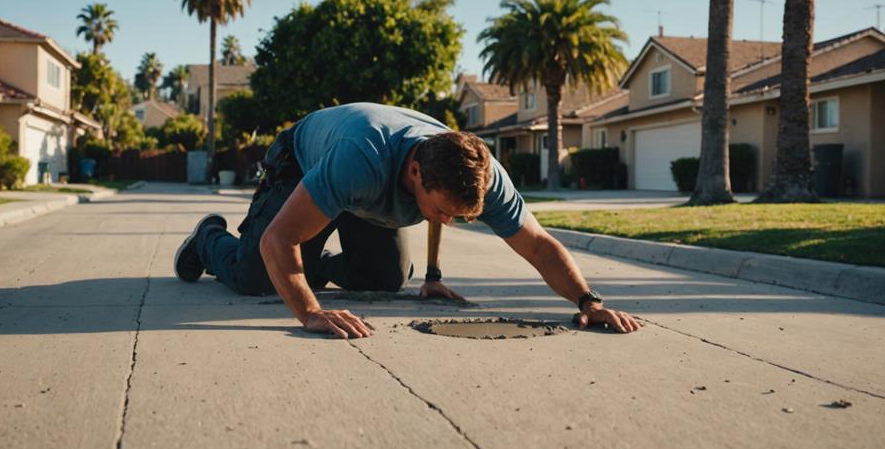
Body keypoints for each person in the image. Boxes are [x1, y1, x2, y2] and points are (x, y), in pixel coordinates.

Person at [174, 102, 642, 338]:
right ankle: (209, 237)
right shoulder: (362, 159)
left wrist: (588, 299)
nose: (448, 221)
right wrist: (310, 312)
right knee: (261, 272)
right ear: (415, 172)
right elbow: (279, 239)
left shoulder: (481, 174)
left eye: (459, 216)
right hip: (303, 155)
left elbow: (538, 245)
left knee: (387, 276)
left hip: (365, 192)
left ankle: (307, 261)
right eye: (441, 211)